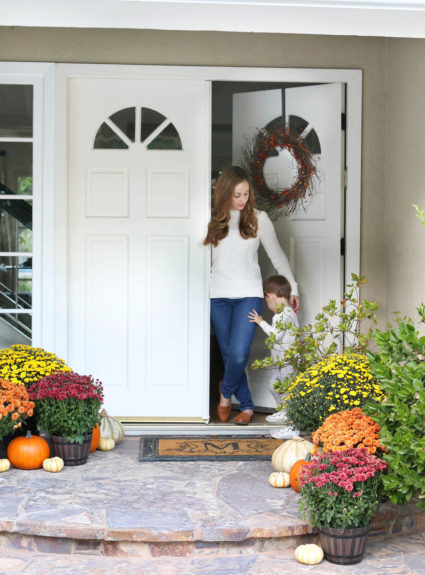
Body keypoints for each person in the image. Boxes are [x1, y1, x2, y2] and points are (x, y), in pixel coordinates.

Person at [204, 166, 299, 425]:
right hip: (218, 296)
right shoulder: (210, 219)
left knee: (238, 354)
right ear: (224, 193)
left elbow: (277, 254)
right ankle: (245, 406)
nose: (242, 200)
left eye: (246, 194)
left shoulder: (259, 218)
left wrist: (293, 287)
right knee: (228, 353)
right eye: (236, 195)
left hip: (249, 294)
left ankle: (225, 394)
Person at [248, 275, 299, 429]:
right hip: (283, 361)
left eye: (267, 301)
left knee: (284, 386)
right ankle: (285, 411)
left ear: (270, 296)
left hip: (287, 361)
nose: (268, 306)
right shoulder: (289, 312)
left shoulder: (282, 316)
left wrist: (261, 321)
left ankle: (288, 413)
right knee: (274, 385)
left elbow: (276, 336)